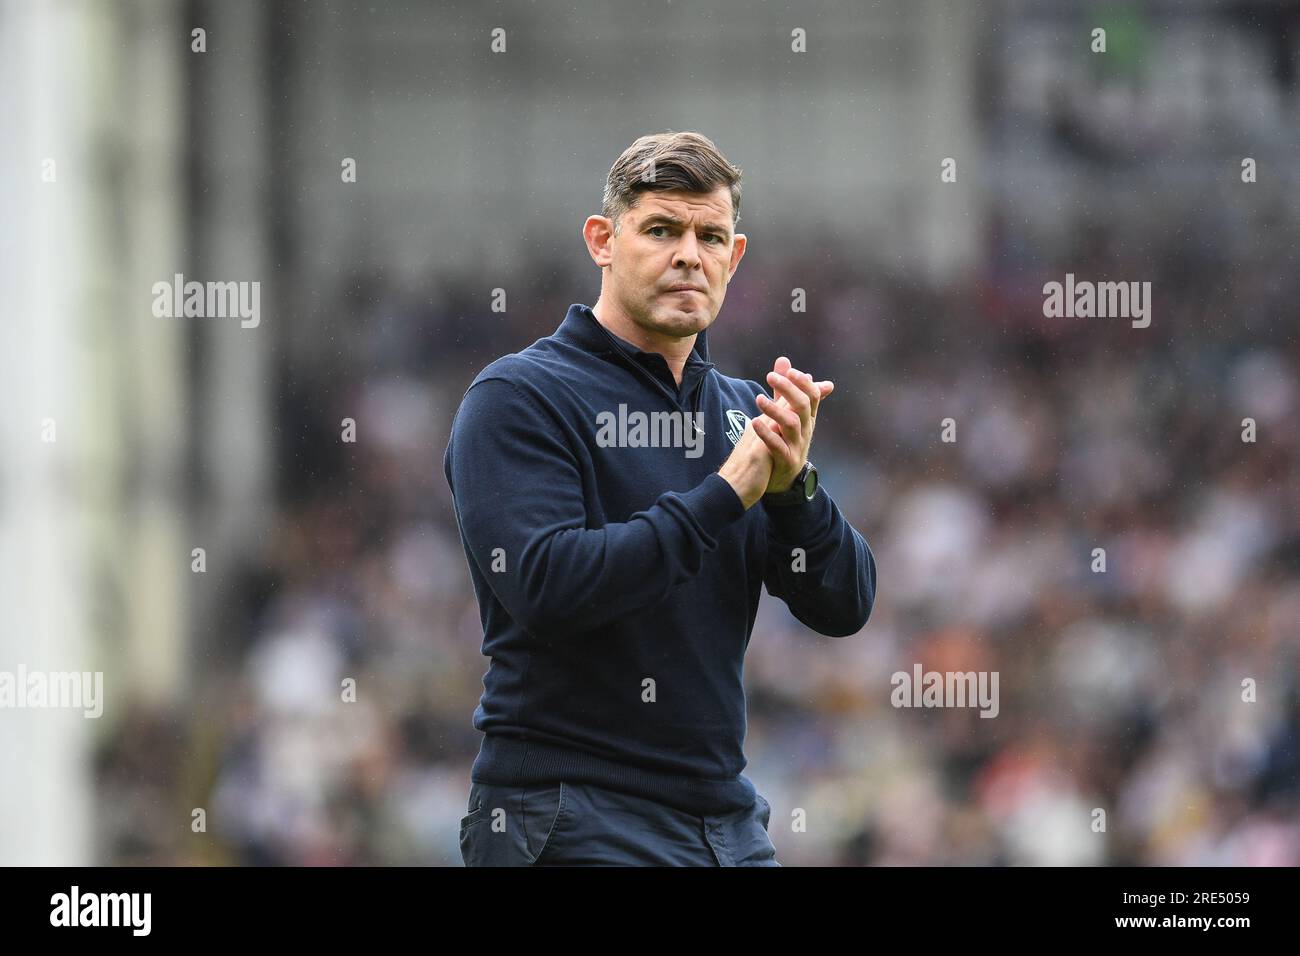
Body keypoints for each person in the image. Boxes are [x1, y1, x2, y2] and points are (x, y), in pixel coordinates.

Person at [443, 130, 877, 865]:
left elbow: (843, 605)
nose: (689, 254)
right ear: (602, 240)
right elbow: (550, 586)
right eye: (661, 229)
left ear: (734, 258)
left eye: (711, 235)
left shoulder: (748, 412)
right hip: (568, 813)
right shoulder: (519, 397)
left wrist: (795, 491)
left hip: (727, 823)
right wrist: (723, 494)